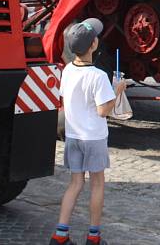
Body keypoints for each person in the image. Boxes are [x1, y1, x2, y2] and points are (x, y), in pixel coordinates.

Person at [49, 18, 126, 245]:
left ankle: (60, 234)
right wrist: (117, 90)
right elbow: (103, 110)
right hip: (93, 137)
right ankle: (93, 236)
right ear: (93, 45)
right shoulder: (99, 76)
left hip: (73, 136)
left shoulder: (68, 71)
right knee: (97, 184)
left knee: (75, 184)